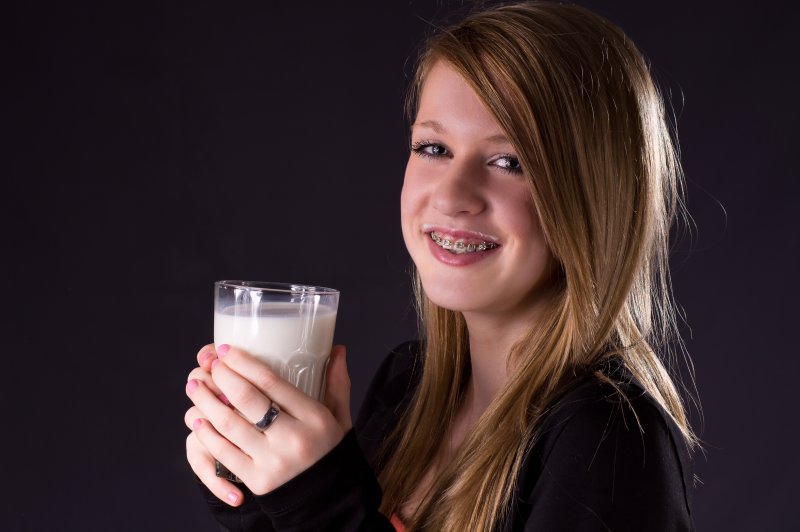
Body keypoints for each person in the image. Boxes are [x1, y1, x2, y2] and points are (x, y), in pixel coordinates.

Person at [184, 2, 698, 530]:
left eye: (510, 162)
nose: (452, 196)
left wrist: (319, 501)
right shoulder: (407, 388)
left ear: (595, 196)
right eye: (433, 147)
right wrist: (263, 494)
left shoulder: (606, 437)